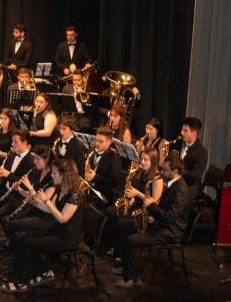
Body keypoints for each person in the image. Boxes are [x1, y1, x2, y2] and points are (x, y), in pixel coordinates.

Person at [0, 158, 83, 294]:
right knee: (23, 240)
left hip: (66, 237)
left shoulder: (75, 196)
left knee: (26, 243)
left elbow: (62, 219)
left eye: (55, 173)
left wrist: (47, 201)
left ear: (64, 176)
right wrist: (34, 199)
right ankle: (43, 272)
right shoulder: (60, 188)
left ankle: (19, 282)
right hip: (55, 230)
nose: (52, 175)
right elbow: (46, 208)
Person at [113, 155, 190, 288]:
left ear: (175, 172)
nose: (161, 173)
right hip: (162, 224)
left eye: (165, 170)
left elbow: (170, 217)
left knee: (133, 240)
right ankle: (126, 266)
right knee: (124, 225)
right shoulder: (173, 184)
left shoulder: (180, 190)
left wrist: (152, 206)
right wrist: (154, 215)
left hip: (171, 232)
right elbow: (165, 211)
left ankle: (132, 278)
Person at [85, 127, 123, 207]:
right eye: (96, 140)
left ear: (109, 142)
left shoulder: (114, 157)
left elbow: (113, 183)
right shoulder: (91, 151)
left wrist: (95, 177)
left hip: (105, 194)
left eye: (100, 141)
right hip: (91, 190)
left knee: (86, 205)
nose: (97, 144)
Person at [178, 117, 208, 201]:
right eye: (182, 129)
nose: (181, 133)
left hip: (191, 187)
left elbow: (195, 176)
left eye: (185, 130)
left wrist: (178, 169)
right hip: (180, 183)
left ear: (194, 133)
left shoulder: (201, 152)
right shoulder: (181, 144)